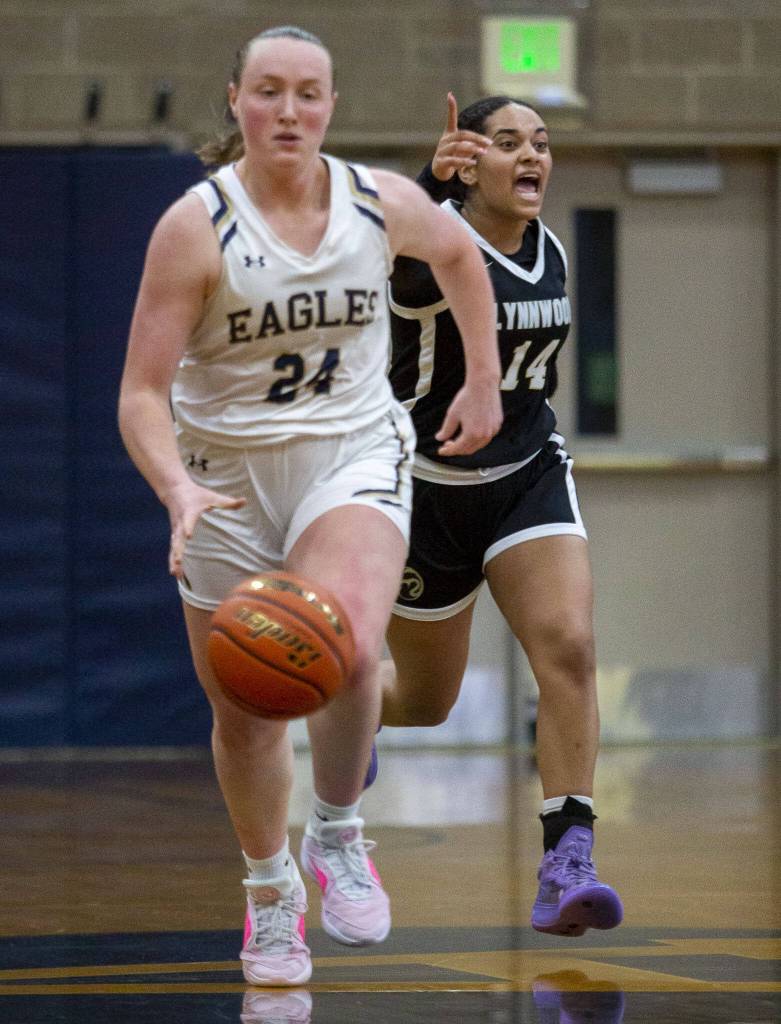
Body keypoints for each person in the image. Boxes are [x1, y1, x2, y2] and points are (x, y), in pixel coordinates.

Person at [118, 32, 502, 987]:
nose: (288, 111)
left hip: (350, 454)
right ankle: (269, 891)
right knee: (245, 709)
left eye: (307, 94)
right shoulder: (196, 226)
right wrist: (176, 490)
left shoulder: (378, 202)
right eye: (268, 93)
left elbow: (462, 259)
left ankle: (336, 831)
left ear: (331, 104)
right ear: (237, 102)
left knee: (351, 646)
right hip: (225, 478)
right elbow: (138, 393)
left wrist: (484, 383)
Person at [378, 93, 623, 936]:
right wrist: (424, 180)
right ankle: (338, 712)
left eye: (541, 144)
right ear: (466, 161)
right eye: (508, 143)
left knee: (569, 645)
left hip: (524, 476)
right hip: (425, 489)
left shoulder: (548, 246)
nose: (531, 158)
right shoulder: (431, 248)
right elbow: (398, 250)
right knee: (420, 702)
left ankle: (567, 858)